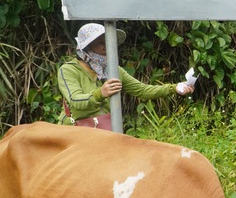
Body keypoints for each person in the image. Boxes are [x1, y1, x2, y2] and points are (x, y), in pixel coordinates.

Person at [58, 23, 194, 126]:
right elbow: (75, 101)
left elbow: (143, 90)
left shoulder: (113, 70)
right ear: (86, 47)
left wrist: (174, 88)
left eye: (108, 42)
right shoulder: (69, 70)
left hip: (104, 128)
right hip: (76, 131)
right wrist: (100, 93)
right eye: (100, 43)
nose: (107, 46)